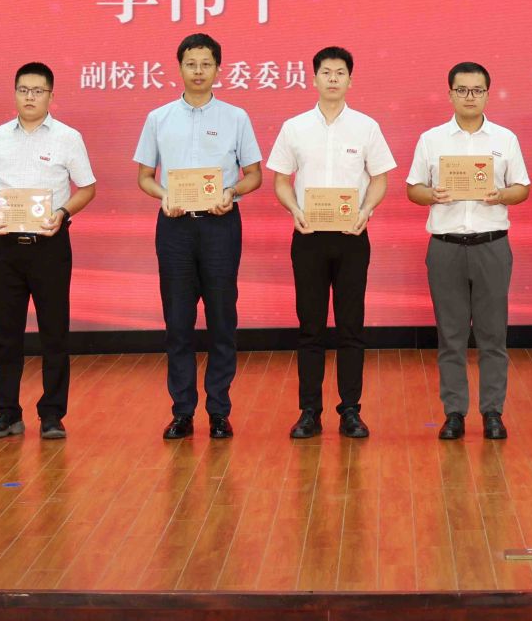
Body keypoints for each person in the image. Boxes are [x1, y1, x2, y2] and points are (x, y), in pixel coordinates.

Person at [133, 33, 263, 441]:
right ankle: (182, 412)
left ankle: (219, 411)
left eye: (206, 64)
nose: (198, 71)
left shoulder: (236, 118)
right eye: (191, 64)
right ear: (179, 68)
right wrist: (163, 195)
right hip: (175, 227)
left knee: (223, 319)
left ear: (218, 69)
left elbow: (254, 175)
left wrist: (232, 191)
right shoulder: (158, 118)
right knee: (178, 322)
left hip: (220, 225)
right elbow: (144, 176)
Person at [266, 46, 395, 440]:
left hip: (352, 236)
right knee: (311, 327)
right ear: (315, 78)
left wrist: (366, 211)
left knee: (351, 327)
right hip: (308, 237)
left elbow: (380, 178)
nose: (333, 78)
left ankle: (351, 410)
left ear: (350, 80)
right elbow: (281, 179)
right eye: (326, 72)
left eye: (340, 72)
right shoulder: (295, 127)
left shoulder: (366, 127)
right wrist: (294, 209)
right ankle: (309, 412)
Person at [405, 62, 532, 441]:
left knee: (493, 336)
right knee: (451, 336)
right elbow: (413, 188)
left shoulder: (505, 139)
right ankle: (454, 412)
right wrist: (432, 194)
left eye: (477, 90)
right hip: (445, 247)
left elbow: (522, 188)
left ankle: (493, 412)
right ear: (450, 95)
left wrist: (501, 194)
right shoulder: (431, 139)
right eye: (462, 90)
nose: (470, 97)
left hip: (491, 245)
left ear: (487, 95)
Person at [0, 62, 97, 441]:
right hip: (6, 247)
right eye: (23, 90)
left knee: (54, 333)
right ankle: (7, 413)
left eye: (38, 91)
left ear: (51, 96)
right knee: (5, 334)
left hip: (50, 246)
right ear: (14, 93)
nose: (30, 97)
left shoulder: (68, 138)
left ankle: (52, 414)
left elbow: (87, 188)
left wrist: (63, 213)